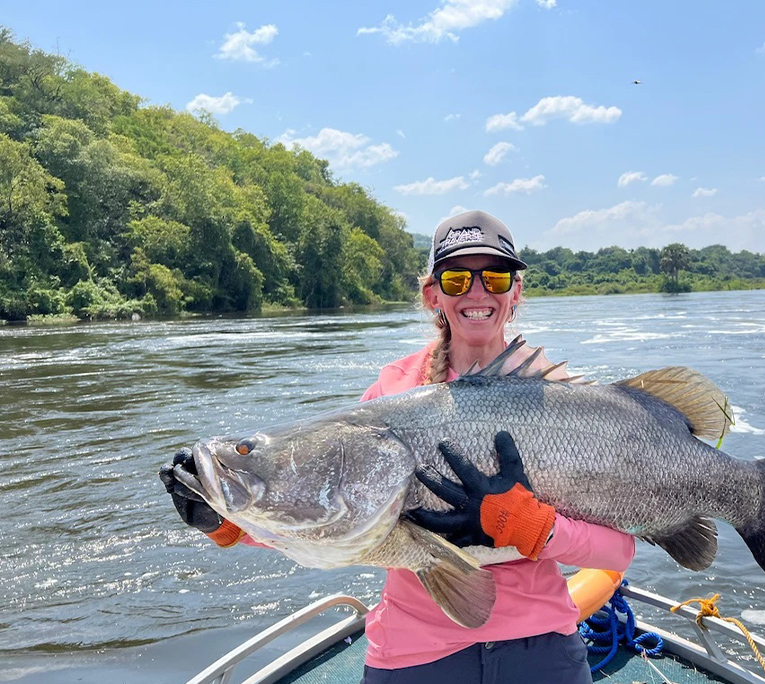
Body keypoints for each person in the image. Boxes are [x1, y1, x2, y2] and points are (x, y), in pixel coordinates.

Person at [160, 210, 636, 684]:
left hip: (542, 648)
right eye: (456, 279)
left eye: (495, 277)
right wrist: (226, 524)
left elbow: (620, 553)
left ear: (515, 291)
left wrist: (536, 529)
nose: (477, 292)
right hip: (414, 654)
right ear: (433, 295)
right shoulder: (391, 391)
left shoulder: (565, 404)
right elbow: (333, 520)